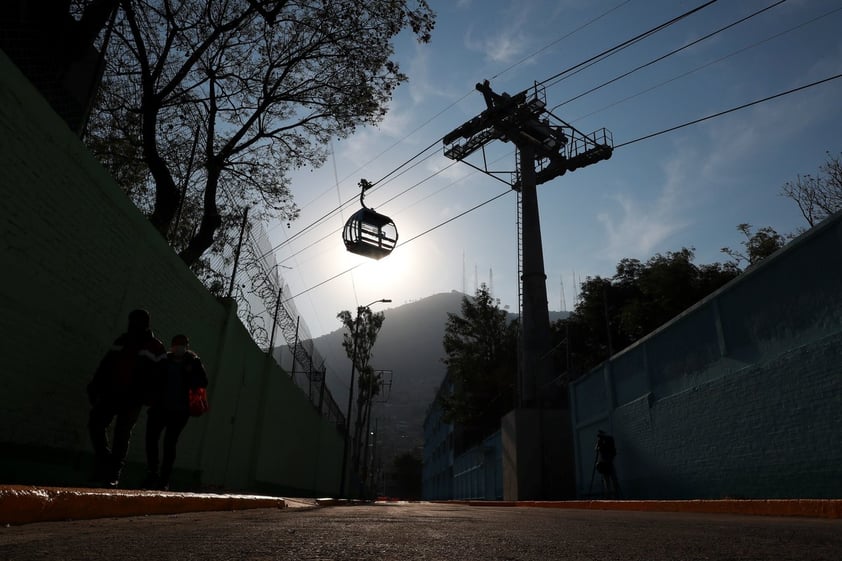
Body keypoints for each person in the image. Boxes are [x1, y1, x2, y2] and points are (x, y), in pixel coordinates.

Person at [87, 309, 167, 488]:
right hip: (112, 392)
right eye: (131, 321)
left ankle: (113, 472)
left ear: (145, 323)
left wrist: (152, 397)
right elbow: (106, 364)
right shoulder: (122, 340)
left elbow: (161, 377)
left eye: (136, 321)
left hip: (134, 397)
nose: (132, 324)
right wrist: (95, 385)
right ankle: (106, 462)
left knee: (122, 433)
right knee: (96, 423)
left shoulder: (155, 347)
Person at [144, 334, 208, 490]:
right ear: (172, 345)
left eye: (181, 344)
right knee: (151, 439)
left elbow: (203, 382)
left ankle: (164, 479)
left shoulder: (193, 361)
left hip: (180, 411)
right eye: (176, 344)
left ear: (186, 346)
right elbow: (153, 378)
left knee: (169, 444)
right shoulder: (164, 359)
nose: (178, 347)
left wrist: (190, 373)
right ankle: (153, 473)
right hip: (160, 407)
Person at [595, 430, 620, 498]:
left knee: (611, 479)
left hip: (607, 462)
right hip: (605, 463)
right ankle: (611, 495)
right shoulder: (601, 441)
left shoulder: (607, 440)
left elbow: (612, 451)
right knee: (608, 479)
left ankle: (615, 495)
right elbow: (597, 449)